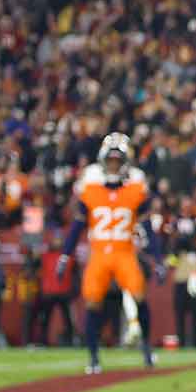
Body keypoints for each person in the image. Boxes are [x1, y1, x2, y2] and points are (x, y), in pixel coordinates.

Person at [57, 133, 159, 372]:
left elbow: (146, 226)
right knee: (92, 302)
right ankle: (93, 356)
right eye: (110, 160)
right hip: (100, 253)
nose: (113, 164)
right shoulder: (91, 186)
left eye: (117, 160)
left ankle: (146, 348)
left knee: (139, 297)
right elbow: (78, 225)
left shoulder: (135, 187)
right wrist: (65, 254)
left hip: (125, 252)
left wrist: (158, 257)